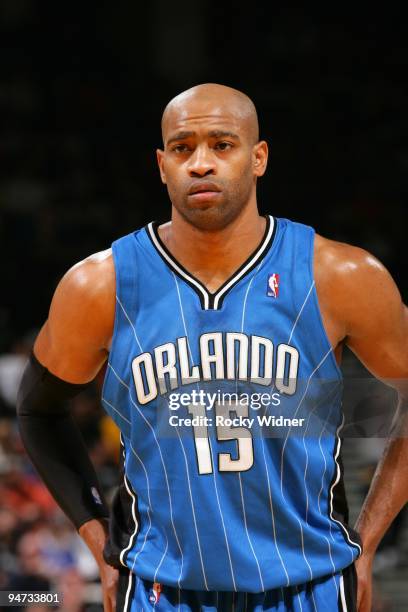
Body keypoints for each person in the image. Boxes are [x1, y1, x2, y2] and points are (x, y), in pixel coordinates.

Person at [17, 83, 408, 612]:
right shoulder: (98, 287)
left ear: (259, 157)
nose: (200, 163)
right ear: (161, 164)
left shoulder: (340, 275)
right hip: (160, 591)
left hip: (309, 586)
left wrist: (368, 539)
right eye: (183, 148)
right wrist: (97, 537)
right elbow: (38, 412)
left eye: (222, 144)